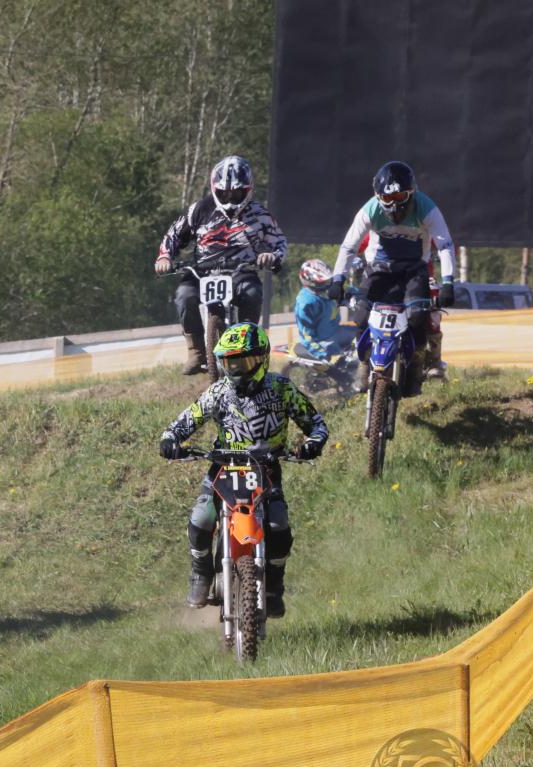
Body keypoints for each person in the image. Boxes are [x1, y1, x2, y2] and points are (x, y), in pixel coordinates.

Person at [158, 322, 329, 618]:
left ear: (262, 358)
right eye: (230, 363)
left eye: (243, 362)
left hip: (266, 469)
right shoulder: (219, 392)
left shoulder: (281, 388)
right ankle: (201, 572)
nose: (236, 370)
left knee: (279, 526)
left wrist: (313, 442)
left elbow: (316, 423)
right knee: (201, 519)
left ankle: (274, 586)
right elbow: (185, 421)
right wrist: (170, 440)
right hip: (223, 467)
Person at [328, 160, 457, 396]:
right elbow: (349, 246)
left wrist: (448, 282)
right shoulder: (370, 210)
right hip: (379, 269)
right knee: (361, 313)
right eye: (388, 198)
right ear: (378, 196)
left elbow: (445, 245)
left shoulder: (426, 208)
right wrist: (338, 280)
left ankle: (416, 364)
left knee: (417, 315)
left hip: (414, 270)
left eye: (399, 196)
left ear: (411, 192)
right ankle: (364, 364)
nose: (394, 204)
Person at [154, 156, 287, 374]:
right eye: (224, 193)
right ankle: (196, 351)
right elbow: (174, 235)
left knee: (252, 293)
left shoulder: (260, 215)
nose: (230, 198)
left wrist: (271, 256)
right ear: (215, 189)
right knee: (184, 295)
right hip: (201, 271)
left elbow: (279, 242)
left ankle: (248, 346)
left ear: (248, 189)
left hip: (242, 269)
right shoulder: (199, 210)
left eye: (236, 193)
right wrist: (164, 257)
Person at [294, 258, 358, 371]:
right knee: (342, 365)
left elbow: (348, 291)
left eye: (328, 281)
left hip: (336, 331)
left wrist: (362, 295)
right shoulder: (306, 303)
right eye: (323, 282)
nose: (328, 284)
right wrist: (322, 354)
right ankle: (346, 380)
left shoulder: (326, 291)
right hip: (321, 341)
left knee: (362, 334)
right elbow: (306, 336)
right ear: (312, 283)